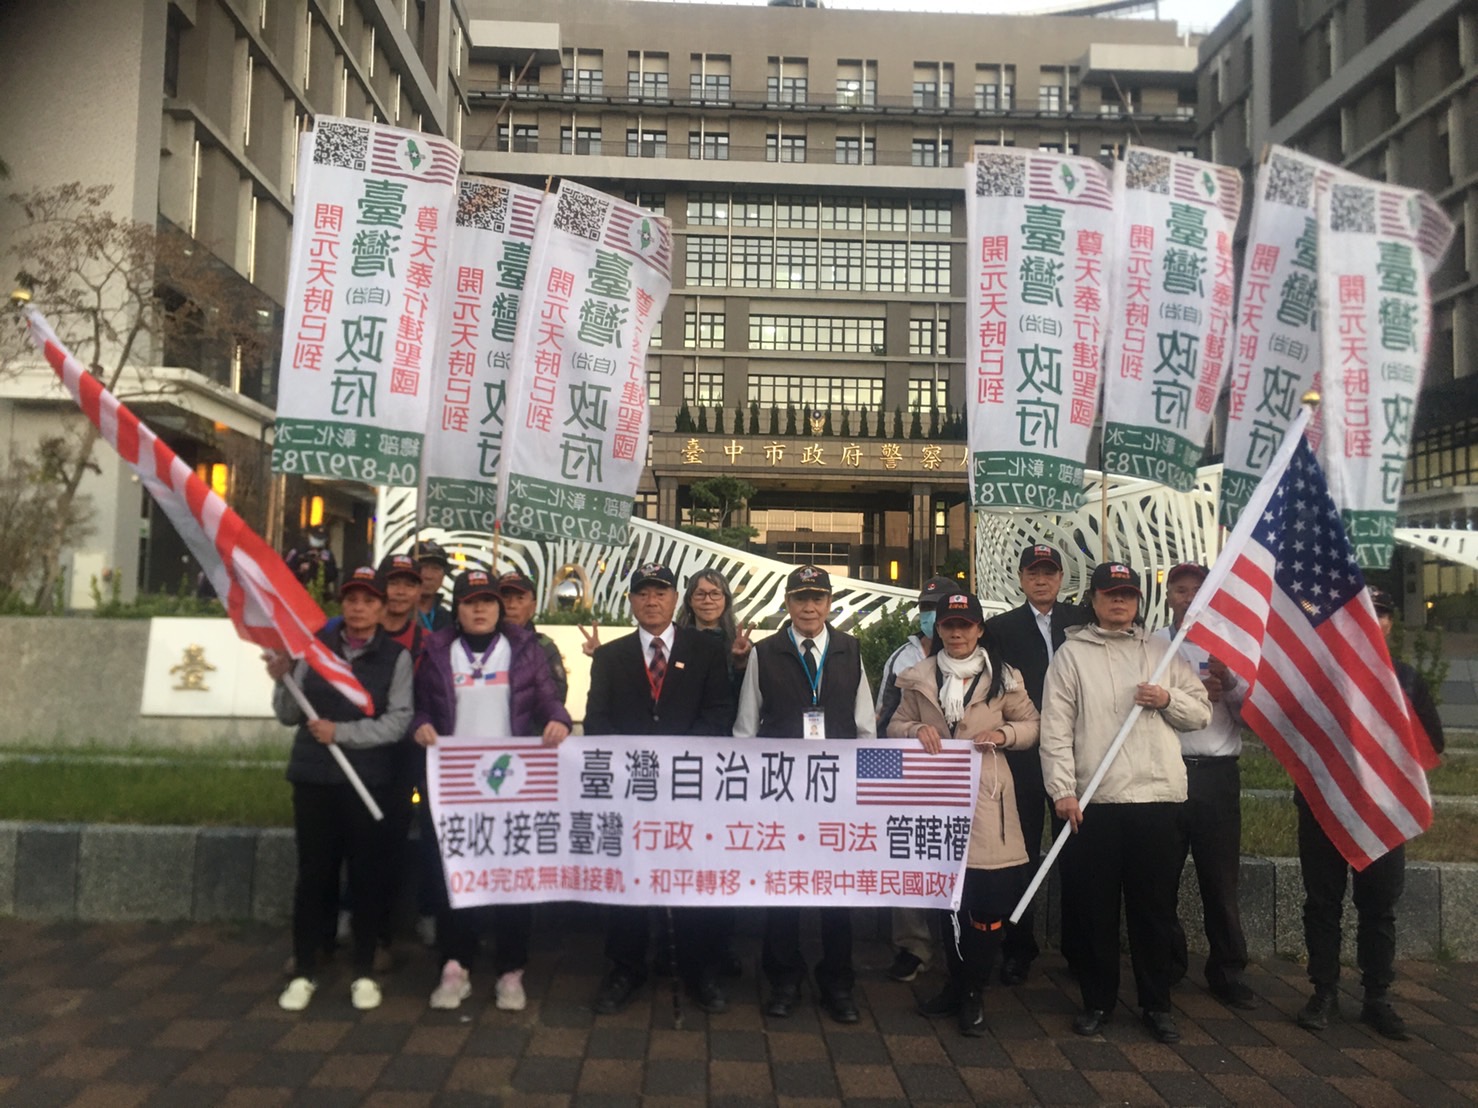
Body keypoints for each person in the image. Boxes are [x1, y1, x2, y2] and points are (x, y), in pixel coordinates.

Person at [1039, 561, 1210, 1044]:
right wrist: (1063, 790)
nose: (1119, 602)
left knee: (1154, 910)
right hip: (1094, 802)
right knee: (1094, 910)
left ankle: (1156, 1004)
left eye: (1128, 594)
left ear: (1139, 601)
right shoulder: (1071, 656)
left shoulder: (1162, 651)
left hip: (1157, 798)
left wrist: (1166, 699)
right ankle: (1098, 1001)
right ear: (1093, 599)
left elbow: (1200, 712)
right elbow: (1055, 730)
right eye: (1110, 593)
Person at [410, 567, 572, 1012]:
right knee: (454, 874)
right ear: (457, 609)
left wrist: (558, 719)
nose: (479, 610)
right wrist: (421, 724)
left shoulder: (523, 650)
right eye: (470, 602)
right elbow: (421, 706)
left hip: (512, 785)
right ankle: (455, 965)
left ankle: (511, 969)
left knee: (511, 876)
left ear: (500, 608)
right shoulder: (437, 650)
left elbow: (547, 699)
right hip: (455, 786)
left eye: (488, 602)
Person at [585, 562, 736, 1015]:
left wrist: (675, 758)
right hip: (631, 790)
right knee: (629, 876)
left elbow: (719, 715)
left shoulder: (705, 650)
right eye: (643, 593)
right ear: (631, 600)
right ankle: (625, 969)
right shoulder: (610, 657)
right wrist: (637, 760)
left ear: (675, 599)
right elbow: (596, 722)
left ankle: (698, 970)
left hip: (689, 789)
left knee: (691, 877)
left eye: (661, 592)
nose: (652, 601)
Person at [1294, 587, 1444, 1041]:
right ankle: (1323, 992)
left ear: (1390, 624)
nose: (1372, 620)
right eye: (1361, 612)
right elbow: (1294, 730)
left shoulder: (1407, 680)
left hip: (1383, 811)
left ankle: (1377, 997)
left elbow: (1432, 744)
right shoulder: (1319, 675)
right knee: (1322, 903)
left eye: (1380, 614)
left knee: (1378, 908)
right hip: (1324, 802)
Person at [888, 591, 1041, 1036]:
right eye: (949, 625)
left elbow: (1033, 725)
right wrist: (917, 729)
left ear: (979, 630)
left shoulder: (1004, 677)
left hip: (987, 800)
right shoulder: (918, 677)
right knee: (949, 901)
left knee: (986, 903)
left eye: (965, 625)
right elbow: (894, 725)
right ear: (938, 629)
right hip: (936, 800)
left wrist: (1004, 734)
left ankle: (974, 989)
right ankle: (956, 986)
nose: (957, 633)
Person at [267, 565, 414, 1014]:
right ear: (341, 604)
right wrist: (282, 678)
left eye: (369, 600)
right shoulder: (312, 651)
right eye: (352, 599)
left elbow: (398, 720)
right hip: (313, 777)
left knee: (366, 875)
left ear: (382, 608)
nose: (359, 608)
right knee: (315, 874)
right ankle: (305, 967)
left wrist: (343, 734)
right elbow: (289, 715)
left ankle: (364, 969)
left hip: (368, 781)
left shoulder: (396, 657)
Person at [734, 564, 875, 1024]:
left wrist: (862, 791)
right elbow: (746, 729)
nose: (809, 607)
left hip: (836, 793)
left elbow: (865, 727)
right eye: (800, 598)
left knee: (838, 890)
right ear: (788, 604)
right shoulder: (765, 652)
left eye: (817, 598)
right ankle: (784, 979)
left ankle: (838, 983)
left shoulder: (850, 649)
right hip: (782, 792)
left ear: (829, 603)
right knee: (783, 888)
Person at [983, 544, 1090, 985]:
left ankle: (1080, 950)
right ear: (1021, 578)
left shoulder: (1083, 622)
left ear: (1061, 577)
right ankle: (1018, 947)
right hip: (1023, 757)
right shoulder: (1001, 629)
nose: (1041, 580)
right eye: (1033, 572)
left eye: (1049, 572)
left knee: (1078, 855)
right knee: (1021, 853)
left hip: (1076, 754)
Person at [1157, 562, 1257, 1010]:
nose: (1188, 597)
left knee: (1219, 879)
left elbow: (1253, 716)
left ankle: (1228, 970)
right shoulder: (1154, 644)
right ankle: (1168, 963)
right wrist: (1184, 697)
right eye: (1180, 589)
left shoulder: (1234, 646)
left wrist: (1230, 683)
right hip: (1167, 770)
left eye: (1197, 589)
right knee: (1161, 876)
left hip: (1216, 774)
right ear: (1169, 597)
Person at [875, 574, 961, 984]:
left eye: (938, 609)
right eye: (926, 609)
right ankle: (913, 946)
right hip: (910, 777)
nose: (931, 617)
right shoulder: (901, 659)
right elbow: (884, 718)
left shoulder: (978, 656)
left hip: (960, 779)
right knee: (908, 857)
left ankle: (960, 943)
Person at [675, 567, 754, 699]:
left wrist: (741, 665)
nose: (708, 600)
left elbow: (748, 698)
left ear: (726, 600)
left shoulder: (740, 645)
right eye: (700, 594)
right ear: (690, 600)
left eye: (715, 594)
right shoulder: (675, 642)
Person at [498, 571, 569, 703]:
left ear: (533, 607)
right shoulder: (478, 645)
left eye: (520, 598)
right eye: (505, 597)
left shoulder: (544, 647)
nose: (511, 605)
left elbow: (556, 698)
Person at [414, 539, 454, 633]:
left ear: (443, 576)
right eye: (423, 567)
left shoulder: (449, 619)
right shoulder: (396, 614)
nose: (428, 576)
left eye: (436, 568)